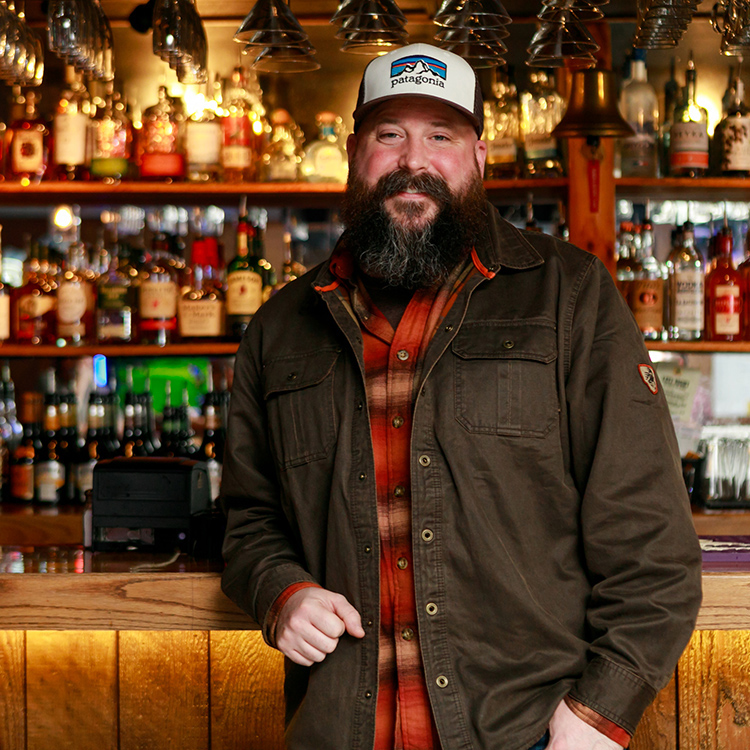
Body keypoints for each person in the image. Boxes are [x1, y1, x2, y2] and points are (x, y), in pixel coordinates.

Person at [221, 43, 703, 750]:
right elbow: (247, 519)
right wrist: (279, 591)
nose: (413, 160)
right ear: (355, 152)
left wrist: (598, 714)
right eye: (390, 135)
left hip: (524, 734)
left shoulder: (571, 296)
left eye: (440, 137)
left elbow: (651, 537)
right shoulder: (281, 326)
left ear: (479, 155)